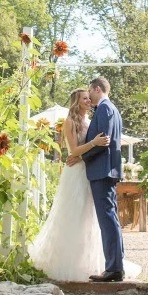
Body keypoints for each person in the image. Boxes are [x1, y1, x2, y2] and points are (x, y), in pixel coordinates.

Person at [26, 88, 110, 280]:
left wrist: (84, 155)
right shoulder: (69, 122)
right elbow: (73, 150)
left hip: (86, 168)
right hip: (75, 174)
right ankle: (66, 262)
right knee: (72, 215)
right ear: (76, 102)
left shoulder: (89, 121)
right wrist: (94, 143)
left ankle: (87, 262)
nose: (89, 101)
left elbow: (79, 155)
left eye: (89, 98)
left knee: (88, 217)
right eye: (85, 99)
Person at [81, 76, 126, 282]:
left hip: (102, 170)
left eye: (90, 91)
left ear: (97, 89)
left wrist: (82, 155)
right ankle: (116, 265)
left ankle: (114, 268)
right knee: (111, 218)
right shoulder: (112, 110)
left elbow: (103, 142)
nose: (88, 96)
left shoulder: (105, 109)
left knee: (107, 219)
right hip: (107, 169)